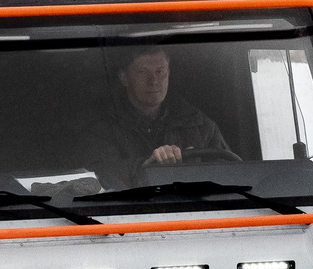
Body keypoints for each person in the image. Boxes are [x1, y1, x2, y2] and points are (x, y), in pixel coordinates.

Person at [96, 48, 234, 177]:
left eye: (160, 71)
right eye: (142, 72)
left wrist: (194, 169)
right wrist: (148, 164)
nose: (153, 81)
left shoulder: (200, 125)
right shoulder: (100, 129)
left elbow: (232, 175)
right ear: (124, 77)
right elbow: (97, 177)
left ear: (168, 73)